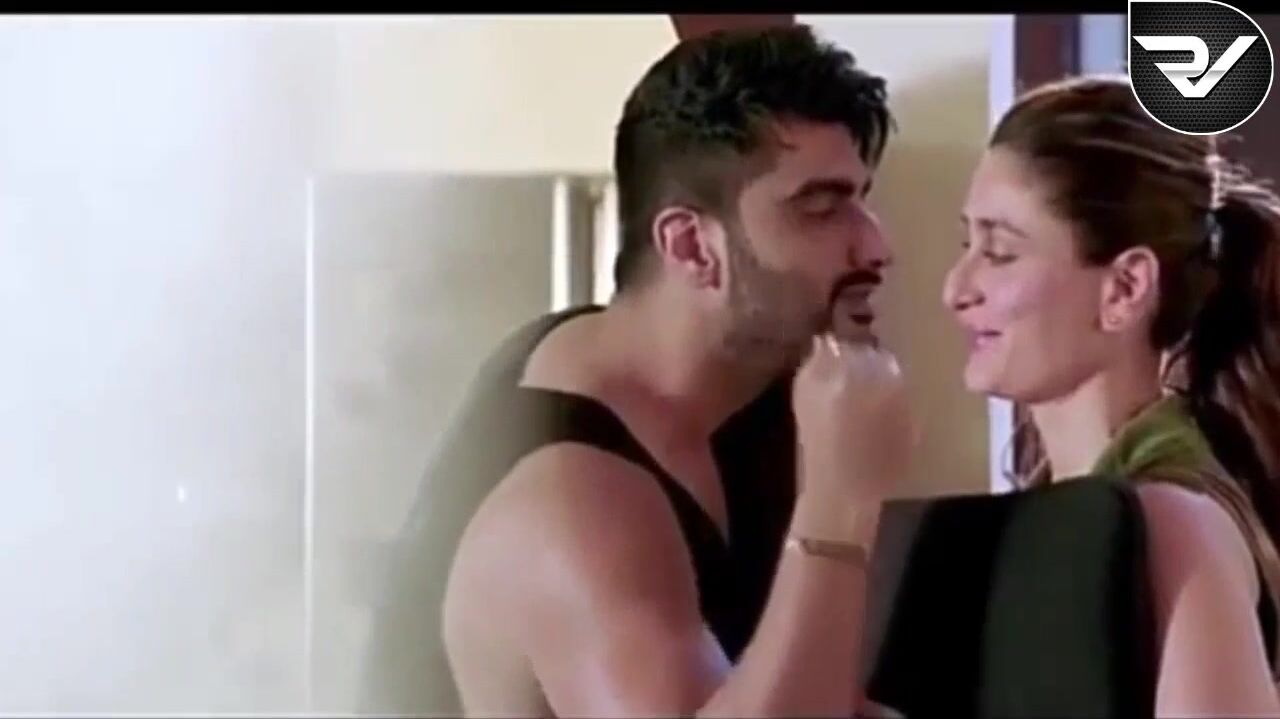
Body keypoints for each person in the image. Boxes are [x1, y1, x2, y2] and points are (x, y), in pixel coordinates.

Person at [357, 25, 914, 718]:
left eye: (861, 201)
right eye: (822, 209)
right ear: (692, 247)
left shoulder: (758, 382)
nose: (876, 245)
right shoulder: (569, 507)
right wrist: (840, 500)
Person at [945, 73, 1280, 715]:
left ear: (1124, 289)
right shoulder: (1069, 515)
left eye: (1001, 252)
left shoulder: (1171, 523)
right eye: (968, 244)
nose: (956, 288)